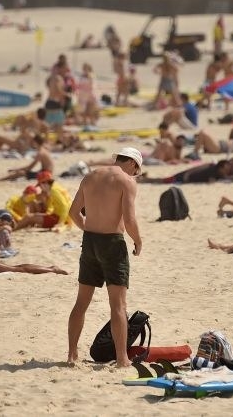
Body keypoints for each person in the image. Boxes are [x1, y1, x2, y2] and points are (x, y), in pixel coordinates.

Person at [66, 147, 143, 367]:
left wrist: (88, 229)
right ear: (132, 163)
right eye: (136, 171)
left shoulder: (90, 176)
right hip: (112, 244)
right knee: (118, 305)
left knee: (81, 302)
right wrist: (138, 241)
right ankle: (122, 358)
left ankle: (72, 354)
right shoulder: (126, 181)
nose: (134, 174)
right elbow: (129, 220)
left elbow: (73, 213)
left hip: (90, 242)